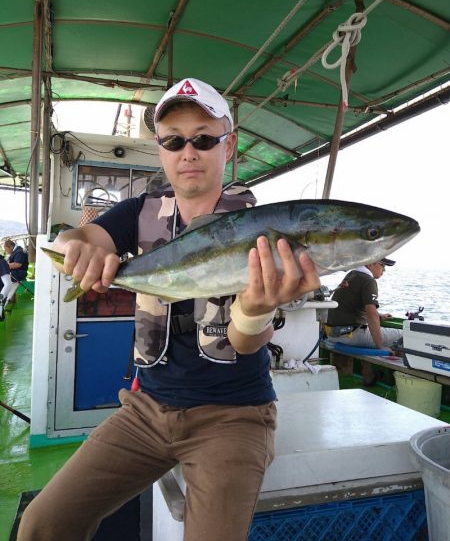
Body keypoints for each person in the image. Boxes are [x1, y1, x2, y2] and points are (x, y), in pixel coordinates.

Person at [18, 78, 320, 541]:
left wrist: (256, 309)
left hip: (232, 415)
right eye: (174, 140)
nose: (189, 152)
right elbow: (74, 238)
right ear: (161, 149)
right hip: (146, 410)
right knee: (43, 524)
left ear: (228, 144)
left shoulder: (259, 228)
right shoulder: (140, 211)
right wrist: (75, 249)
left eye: (203, 138)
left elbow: (243, 342)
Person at [325, 257, 402, 386]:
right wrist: (380, 345)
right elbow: (371, 314)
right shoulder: (369, 280)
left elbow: (354, 305)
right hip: (351, 336)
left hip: (333, 334)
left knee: (366, 331)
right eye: (383, 266)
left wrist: (379, 315)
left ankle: (368, 375)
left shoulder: (351, 275)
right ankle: (399, 381)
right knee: (402, 335)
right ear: (371, 263)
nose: (384, 270)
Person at [3, 239, 28, 311]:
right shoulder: (17, 251)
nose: (6, 251)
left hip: (18, 274)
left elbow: (18, 264)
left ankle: (4, 299)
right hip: (17, 273)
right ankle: (9, 299)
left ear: (10, 246)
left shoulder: (19, 252)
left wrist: (4, 265)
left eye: (6, 249)